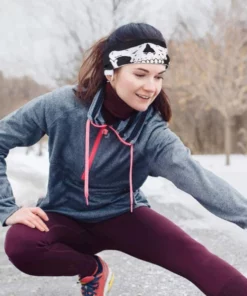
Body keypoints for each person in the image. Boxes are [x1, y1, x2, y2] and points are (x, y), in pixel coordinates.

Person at [0, 22, 247, 296]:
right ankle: (92, 270)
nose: (151, 87)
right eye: (140, 74)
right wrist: (7, 208)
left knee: (203, 264)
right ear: (111, 72)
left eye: (158, 76)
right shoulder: (61, 107)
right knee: (21, 245)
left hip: (126, 215)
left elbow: (199, 180)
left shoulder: (151, 133)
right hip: (64, 215)